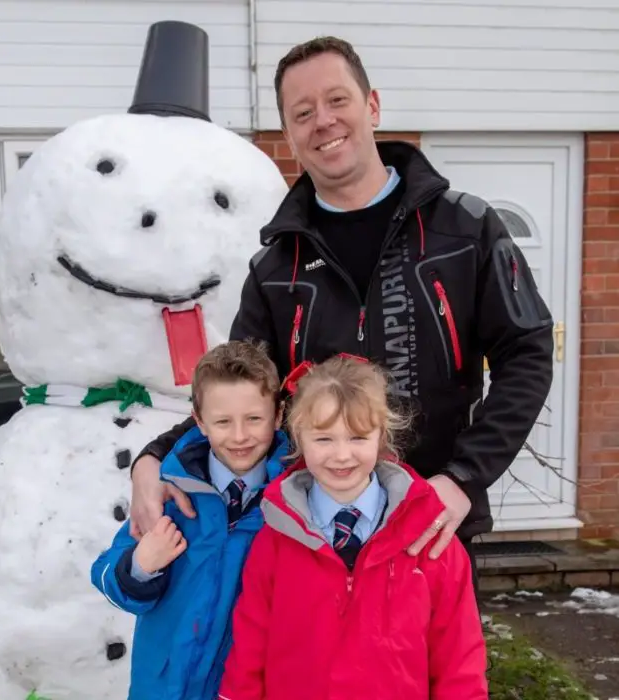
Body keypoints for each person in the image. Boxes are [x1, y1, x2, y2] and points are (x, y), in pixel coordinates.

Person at [129, 35, 554, 579]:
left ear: (372, 106)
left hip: (432, 533)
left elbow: (528, 352)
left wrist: (464, 478)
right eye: (302, 113)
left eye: (337, 100)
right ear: (289, 135)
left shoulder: (464, 230)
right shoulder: (276, 267)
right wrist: (154, 457)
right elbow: (236, 389)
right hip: (316, 544)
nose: (323, 121)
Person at [218, 354, 488, 700]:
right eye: (324, 439)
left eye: (357, 438)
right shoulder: (275, 539)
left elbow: (459, 662)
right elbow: (249, 651)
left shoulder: (431, 541)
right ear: (299, 436)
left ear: (381, 435)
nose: (342, 455)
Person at [90, 340, 289, 700]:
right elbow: (106, 575)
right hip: (161, 689)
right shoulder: (171, 491)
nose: (240, 436)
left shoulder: (291, 507)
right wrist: (140, 567)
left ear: (277, 416)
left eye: (254, 419)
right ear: (198, 421)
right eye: (223, 421)